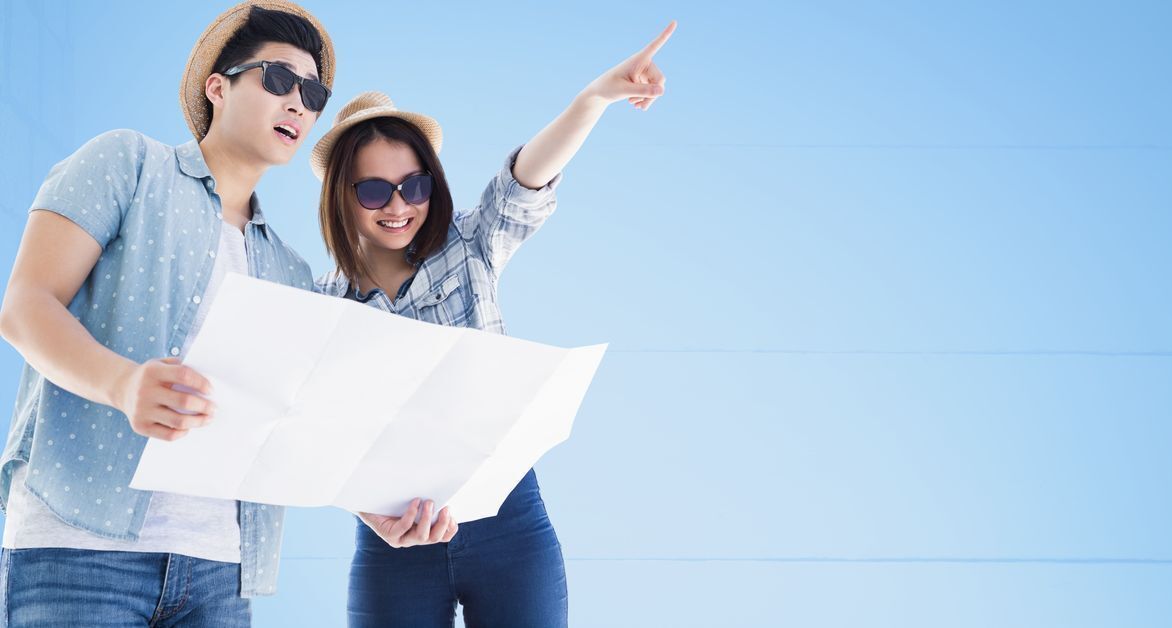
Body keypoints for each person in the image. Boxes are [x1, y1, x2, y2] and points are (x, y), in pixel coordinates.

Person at [0, 2, 448, 625]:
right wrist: (123, 383)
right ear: (218, 85)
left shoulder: (290, 273)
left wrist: (368, 504)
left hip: (220, 571)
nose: (299, 102)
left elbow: (283, 424)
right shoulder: (127, 164)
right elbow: (24, 306)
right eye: (278, 79)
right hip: (82, 545)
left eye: (313, 92)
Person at [311, 21, 676, 627]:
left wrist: (594, 98)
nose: (399, 206)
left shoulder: (471, 245)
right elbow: (310, 436)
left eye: (414, 185)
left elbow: (525, 180)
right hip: (391, 542)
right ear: (342, 197)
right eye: (374, 190)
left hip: (509, 523)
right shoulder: (321, 304)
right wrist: (365, 508)